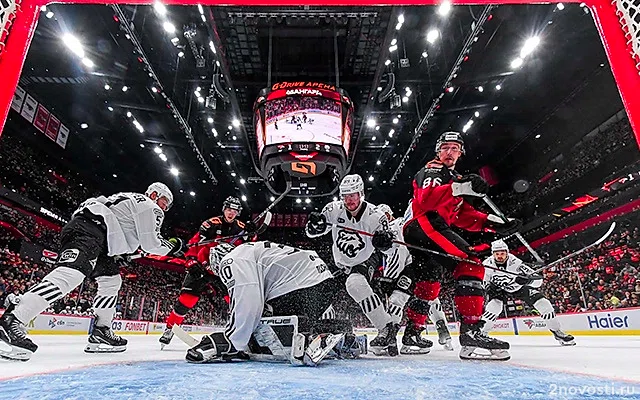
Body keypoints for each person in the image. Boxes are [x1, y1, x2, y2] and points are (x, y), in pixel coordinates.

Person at [0, 183, 185, 360]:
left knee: (111, 281)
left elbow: (121, 228)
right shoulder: (149, 206)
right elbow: (151, 243)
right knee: (71, 274)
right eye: (164, 203)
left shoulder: (128, 200)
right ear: (154, 195)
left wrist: (119, 252)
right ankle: (15, 317)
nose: (164, 209)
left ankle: (101, 331)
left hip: (96, 236)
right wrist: (173, 246)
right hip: (90, 231)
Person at [402, 131, 521, 361]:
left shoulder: (453, 176)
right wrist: (460, 186)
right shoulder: (434, 171)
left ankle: (412, 334)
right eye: (445, 147)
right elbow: (426, 200)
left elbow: (461, 215)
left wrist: (494, 224)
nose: (449, 152)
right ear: (438, 151)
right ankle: (471, 334)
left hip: (421, 229)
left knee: (429, 284)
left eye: (454, 148)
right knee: (472, 264)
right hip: (425, 223)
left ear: (460, 152)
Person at [186, 241, 360, 364]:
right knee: (271, 313)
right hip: (320, 282)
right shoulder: (251, 251)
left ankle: (306, 338)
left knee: (262, 322)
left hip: (300, 286)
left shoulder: (231, 260)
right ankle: (339, 334)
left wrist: (230, 340)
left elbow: (249, 304)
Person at [305, 174, 399, 356]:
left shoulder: (376, 217)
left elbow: (391, 250)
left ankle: (386, 328)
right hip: (339, 262)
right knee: (318, 289)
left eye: (353, 195)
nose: (349, 200)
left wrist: (385, 243)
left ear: (361, 194)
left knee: (355, 284)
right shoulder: (332, 209)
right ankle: (323, 330)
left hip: (365, 259)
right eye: (345, 196)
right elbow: (312, 233)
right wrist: (313, 226)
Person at [160, 196, 257, 348]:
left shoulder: (241, 228)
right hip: (202, 265)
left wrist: (252, 234)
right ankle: (170, 328)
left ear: (238, 213)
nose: (231, 213)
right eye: (229, 209)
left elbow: (249, 247)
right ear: (224, 209)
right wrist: (190, 260)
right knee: (186, 300)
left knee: (235, 301)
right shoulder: (210, 224)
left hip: (224, 270)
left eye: (234, 211)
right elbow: (195, 243)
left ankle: (243, 333)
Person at [374, 203, 453, 353]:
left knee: (423, 298)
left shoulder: (398, 225)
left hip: (411, 268)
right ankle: (394, 338)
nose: (383, 219)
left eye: (385, 215)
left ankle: (440, 332)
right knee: (407, 301)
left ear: (390, 214)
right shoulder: (386, 229)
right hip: (405, 269)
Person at [481, 240, 575, 346]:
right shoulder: (486, 265)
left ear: (507, 252)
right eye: (497, 254)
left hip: (518, 288)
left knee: (544, 304)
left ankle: (557, 332)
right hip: (499, 290)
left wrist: (527, 280)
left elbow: (538, 281)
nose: (500, 256)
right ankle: (481, 334)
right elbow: (483, 282)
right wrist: (489, 288)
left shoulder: (516, 263)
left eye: (502, 253)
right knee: (494, 308)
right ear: (492, 254)